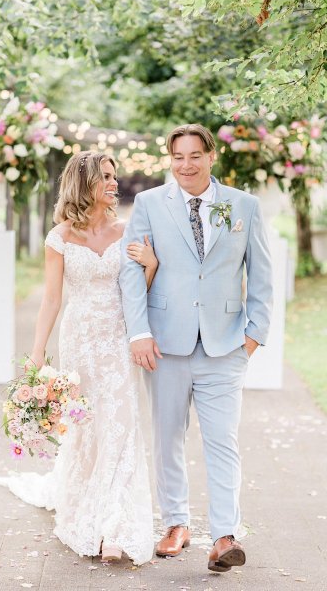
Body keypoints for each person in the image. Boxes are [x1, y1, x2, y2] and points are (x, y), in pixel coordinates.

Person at [120, 124, 273, 573]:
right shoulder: (149, 204)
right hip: (165, 343)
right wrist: (138, 332)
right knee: (167, 437)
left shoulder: (243, 206)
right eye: (177, 157)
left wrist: (253, 335)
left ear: (212, 156)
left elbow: (261, 274)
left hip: (226, 345)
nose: (185, 165)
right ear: (169, 159)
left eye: (194, 156)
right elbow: (133, 272)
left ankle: (225, 536)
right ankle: (175, 523)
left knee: (222, 440)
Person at [0, 150, 157, 565]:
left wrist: (151, 266)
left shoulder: (127, 231)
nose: (113, 184)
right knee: (87, 427)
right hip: (80, 339)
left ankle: (114, 522)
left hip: (118, 338)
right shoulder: (60, 237)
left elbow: (139, 291)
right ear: (84, 183)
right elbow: (51, 299)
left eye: (113, 176)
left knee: (121, 422)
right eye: (105, 177)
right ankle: (88, 505)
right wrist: (36, 355)